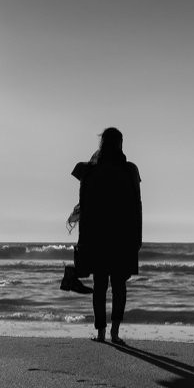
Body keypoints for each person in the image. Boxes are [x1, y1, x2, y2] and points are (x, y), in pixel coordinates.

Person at [70, 127, 142, 344]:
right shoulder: (129, 170)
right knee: (119, 286)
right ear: (120, 144)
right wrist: (137, 239)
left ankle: (101, 332)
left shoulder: (90, 170)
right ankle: (115, 333)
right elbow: (137, 206)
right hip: (122, 237)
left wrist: (82, 241)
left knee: (100, 286)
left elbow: (85, 206)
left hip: (97, 237)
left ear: (102, 144)